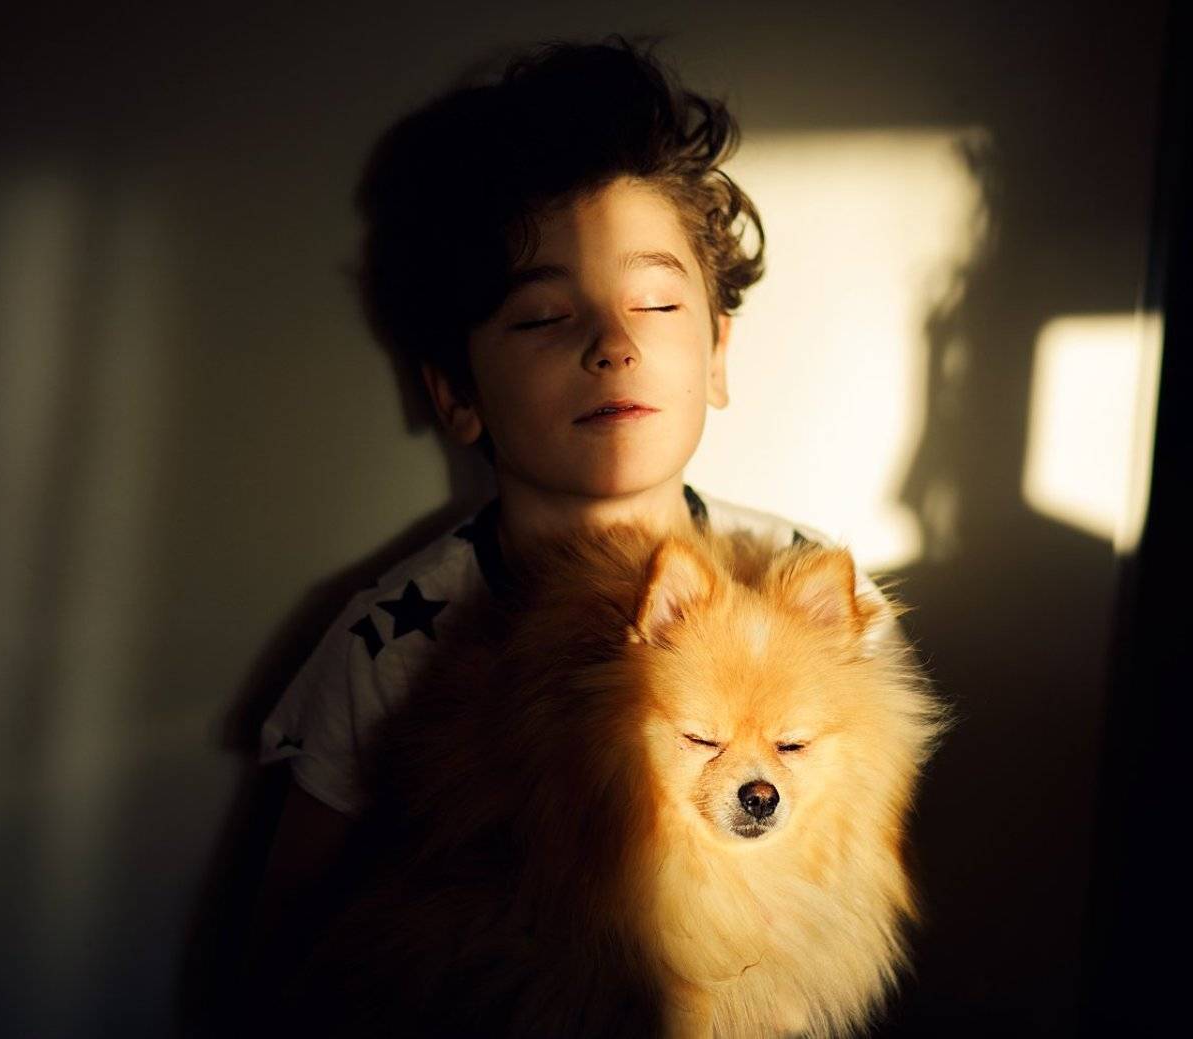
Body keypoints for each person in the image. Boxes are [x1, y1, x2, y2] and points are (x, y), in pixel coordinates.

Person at [242, 33, 898, 1011]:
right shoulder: (397, 634)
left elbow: (862, 864)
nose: (613, 345)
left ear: (718, 353)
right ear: (457, 393)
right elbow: (283, 940)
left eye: (656, 304)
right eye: (547, 317)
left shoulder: (805, 582)